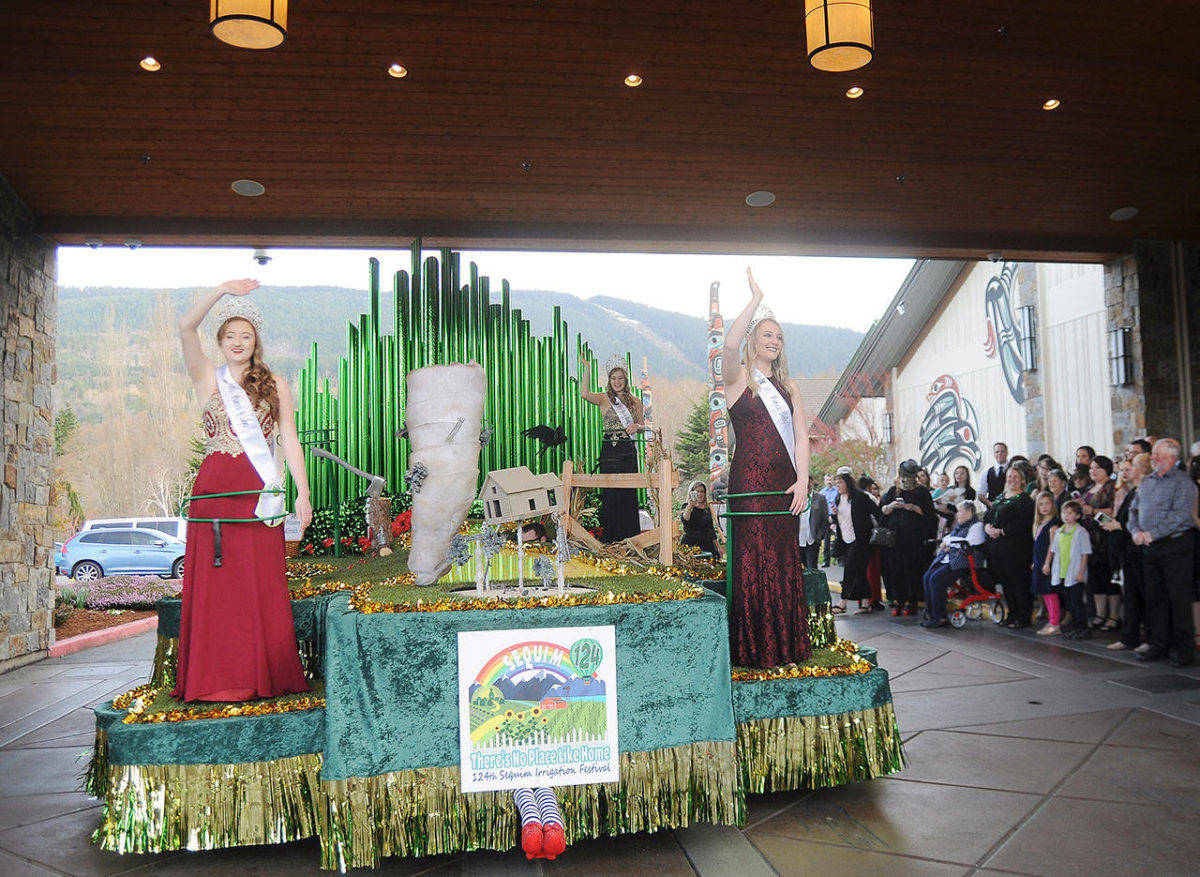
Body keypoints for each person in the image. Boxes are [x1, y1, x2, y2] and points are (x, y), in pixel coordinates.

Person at [172, 280, 310, 703]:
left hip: (256, 493)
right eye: (230, 335)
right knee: (217, 587)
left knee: (257, 583)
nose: (237, 342)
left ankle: (258, 676)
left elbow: (289, 439)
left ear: (256, 341)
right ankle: (212, 679)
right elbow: (184, 327)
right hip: (213, 492)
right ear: (220, 340)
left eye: (245, 335)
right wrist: (221, 290)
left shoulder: (275, 384)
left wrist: (302, 494)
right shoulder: (205, 378)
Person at [720, 268, 811, 667]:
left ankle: (787, 648)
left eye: (778, 336)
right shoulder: (739, 379)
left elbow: (802, 439)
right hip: (751, 484)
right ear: (754, 341)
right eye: (766, 334)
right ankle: (755, 650)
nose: (773, 341)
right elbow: (727, 343)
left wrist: (804, 481)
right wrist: (755, 301)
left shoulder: (791, 388)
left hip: (784, 487)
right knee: (755, 560)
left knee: (784, 559)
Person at [1129, 439, 1198, 667]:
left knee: (1178, 599)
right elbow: (1134, 509)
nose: (1154, 458)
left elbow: (1182, 516)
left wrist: (1153, 533)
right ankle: (1159, 643)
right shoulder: (1148, 481)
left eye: (1157, 454)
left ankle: (1183, 649)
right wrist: (1136, 530)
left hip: (1175, 547)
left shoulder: (1183, 483)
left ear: (1171, 457)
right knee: (1155, 597)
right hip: (1150, 548)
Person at [580, 356, 645, 544]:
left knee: (627, 493)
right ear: (609, 381)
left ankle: (630, 540)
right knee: (610, 492)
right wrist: (587, 369)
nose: (617, 382)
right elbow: (584, 394)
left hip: (627, 450)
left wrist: (636, 427)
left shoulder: (635, 401)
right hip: (609, 450)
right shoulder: (603, 398)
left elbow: (643, 425)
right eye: (613, 378)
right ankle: (610, 540)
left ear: (626, 381)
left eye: (620, 378)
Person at [1101, 454, 1151, 651]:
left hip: (1139, 551)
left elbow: (1141, 521)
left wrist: (1118, 525)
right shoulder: (1130, 492)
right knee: (1131, 596)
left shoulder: (1144, 491)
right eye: (1122, 470)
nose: (1124, 473)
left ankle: (1150, 638)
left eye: (1128, 469)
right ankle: (1129, 636)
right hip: (1128, 552)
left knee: (1144, 596)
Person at [880, 460, 937, 616]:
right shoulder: (893, 491)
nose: (905, 480)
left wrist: (909, 507)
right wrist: (892, 506)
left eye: (909, 477)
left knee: (912, 570)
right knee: (895, 569)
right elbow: (883, 510)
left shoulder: (922, 492)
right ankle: (899, 600)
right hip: (894, 538)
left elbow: (929, 514)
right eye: (903, 476)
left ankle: (911, 601)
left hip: (914, 538)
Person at [984, 466, 1036, 628]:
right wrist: (987, 527)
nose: (1012, 480)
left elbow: (1022, 523)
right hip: (998, 549)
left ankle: (1023, 617)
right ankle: (1012, 614)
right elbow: (989, 515)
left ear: (1021, 480)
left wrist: (1001, 531)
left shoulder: (1025, 500)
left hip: (1016, 549)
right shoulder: (1001, 497)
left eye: (1015, 477)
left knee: (1019, 583)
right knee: (1006, 584)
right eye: (1009, 476)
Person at [921, 500, 984, 628]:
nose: (957, 515)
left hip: (964, 562)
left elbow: (969, 542)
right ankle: (932, 614)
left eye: (960, 511)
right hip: (950, 559)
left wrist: (949, 543)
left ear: (969, 512)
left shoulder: (976, 525)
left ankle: (941, 617)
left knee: (936, 579)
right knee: (927, 577)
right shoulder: (960, 526)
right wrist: (948, 543)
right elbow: (949, 538)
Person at [832, 472, 881, 615]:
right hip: (846, 539)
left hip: (861, 540)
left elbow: (876, 512)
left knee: (849, 568)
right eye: (836, 483)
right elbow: (840, 521)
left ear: (847, 483)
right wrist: (834, 515)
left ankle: (843, 603)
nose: (838, 486)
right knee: (859, 572)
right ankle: (866, 604)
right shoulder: (838, 498)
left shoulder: (860, 497)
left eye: (840, 483)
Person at [1045, 500, 1093, 639]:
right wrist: (1048, 564)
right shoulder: (1060, 531)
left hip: (1075, 573)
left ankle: (1083, 627)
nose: (1066, 516)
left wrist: (1081, 572)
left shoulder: (1081, 532)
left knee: (1077, 601)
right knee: (1069, 602)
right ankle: (1075, 627)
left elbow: (1085, 553)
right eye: (1064, 512)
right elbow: (1054, 550)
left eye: (1070, 513)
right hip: (1062, 573)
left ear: (1077, 516)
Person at [1080, 455, 1118, 630]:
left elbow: (1114, 511)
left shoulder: (1112, 487)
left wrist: (1093, 511)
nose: (1093, 471)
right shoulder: (1089, 488)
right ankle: (1100, 613)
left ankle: (1113, 616)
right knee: (1095, 577)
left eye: (1097, 468)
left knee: (1109, 576)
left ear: (1106, 470)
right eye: (1091, 468)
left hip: (1106, 537)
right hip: (1090, 538)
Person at [1031, 491, 1063, 636]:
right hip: (1039, 562)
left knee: (1050, 592)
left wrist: (1047, 563)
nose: (1044, 507)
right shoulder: (1040, 523)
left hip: (1047, 562)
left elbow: (1052, 545)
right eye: (1041, 504)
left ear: (1053, 505)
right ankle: (1051, 620)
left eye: (1047, 503)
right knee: (1044, 592)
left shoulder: (1054, 523)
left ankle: (1055, 623)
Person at [681, 481, 720, 559]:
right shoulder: (686, 507)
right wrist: (690, 507)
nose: (699, 494)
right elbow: (685, 519)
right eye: (697, 491)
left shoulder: (707, 508)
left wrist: (718, 547)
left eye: (702, 491)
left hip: (707, 543)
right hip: (692, 544)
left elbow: (711, 529)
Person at [800, 475, 830, 570]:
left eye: (808, 482)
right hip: (798, 539)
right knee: (800, 569)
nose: (806, 485)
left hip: (812, 539)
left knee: (812, 568)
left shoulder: (820, 498)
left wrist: (818, 536)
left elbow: (825, 520)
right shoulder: (795, 497)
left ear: (812, 482)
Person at [820, 474, 840, 565]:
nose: (829, 481)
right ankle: (826, 560)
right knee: (826, 540)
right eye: (827, 480)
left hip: (837, 517)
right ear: (824, 481)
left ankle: (839, 558)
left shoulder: (838, 491)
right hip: (826, 518)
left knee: (839, 538)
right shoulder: (822, 492)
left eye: (830, 479)